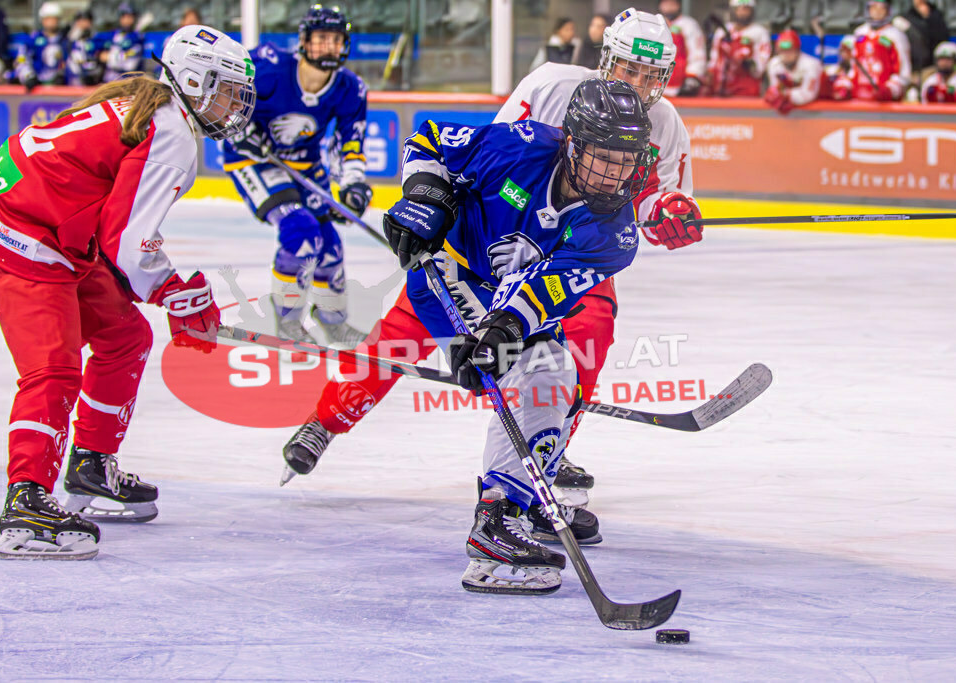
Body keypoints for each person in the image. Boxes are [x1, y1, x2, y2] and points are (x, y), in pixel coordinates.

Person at [280, 10, 703, 540]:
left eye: (651, 75)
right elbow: (490, 158)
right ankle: (327, 420)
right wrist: (432, 203)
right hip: (496, 231)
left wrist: (666, 214)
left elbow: (651, 206)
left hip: (572, 249)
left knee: (587, 333)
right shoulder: (552, 85)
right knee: (406, 327)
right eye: (628, 69)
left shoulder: (666, 125)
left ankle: (541, 463)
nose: (638, 85)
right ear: (606, 60)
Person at [305, 79, 655, 593]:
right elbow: (427, 140)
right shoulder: (518, 145)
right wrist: (427, 197)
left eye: (624, 161)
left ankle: (507, 512)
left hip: (507, 297)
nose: (613, 173)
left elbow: (545, 295)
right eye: (602, 156)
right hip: (445, 275)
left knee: (548, 372)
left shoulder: (615, 234)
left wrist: (501, 330)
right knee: (537, 373)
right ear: (572, 143)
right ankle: (500, 520)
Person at [0, 24, 255, 560]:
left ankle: (89, 467)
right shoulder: (171, 132)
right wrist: (182, 295)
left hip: (45, 226)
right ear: (194, 80)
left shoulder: (146, 102)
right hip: (27, 239)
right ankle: (26, 502)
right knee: (53, 370)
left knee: (125, 336)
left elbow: (110, 227)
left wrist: (175, 295)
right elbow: (130, 247)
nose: (232, 104)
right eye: (224, 89)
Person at [223, 5, 372, 346]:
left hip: (306, 164)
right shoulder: (269, 67)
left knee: (329, 244)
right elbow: (225, 97)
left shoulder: (351, 88)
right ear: (304, 41)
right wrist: (240, 130)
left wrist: (352, 185)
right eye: (322, 39)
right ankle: (290, 323)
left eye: (336, 40)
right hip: (254, 163)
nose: (330, 47)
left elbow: (350, 141)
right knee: (300, 229)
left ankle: (333, 322)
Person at [833, 0, 911, 102]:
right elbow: (854, 68)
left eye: (881, 8)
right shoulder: (860, 32)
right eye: (873, 7)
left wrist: (890, 89)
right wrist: (844, 85)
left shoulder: (896, 36)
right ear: (868, 9)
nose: (877, 11)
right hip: (858, 99)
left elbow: (903, 73)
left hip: (885, 103)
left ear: (888, 11)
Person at [705, 0, 770, 97]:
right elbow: (714, 59)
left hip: (746, 90)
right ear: (732, 11)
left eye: (746, 9)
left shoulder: (760, 32)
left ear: (752, 11)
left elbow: (762, 63)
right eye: (739, 9)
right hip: (720, 88)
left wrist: (751, 65)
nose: (742, 13)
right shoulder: (722, 31)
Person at [764, 30, 822, 114]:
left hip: (819, 111)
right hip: (792, 112)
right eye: (782, 51)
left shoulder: (811, 65)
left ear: (797, 50)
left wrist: (785, 95)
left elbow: (809, 94)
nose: (786, 54)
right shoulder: (774, 64)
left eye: (790, 50)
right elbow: (775, 90)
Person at [14, 1, 68, 91]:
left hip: (60, 87)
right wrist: (28, 76)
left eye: (54, 18)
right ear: (42, 20)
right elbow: (21, 59)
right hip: (36, 86)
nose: (51, 22)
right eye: (48, 18)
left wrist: (62, 75)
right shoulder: (33, 39)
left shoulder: (65, 41)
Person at [659, 0, 705, 96]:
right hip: (656, 85)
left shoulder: (689, 24)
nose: (669, 7)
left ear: (678, 5)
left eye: (672, 4)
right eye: (666, 3)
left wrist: (692, 77)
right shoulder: (655, 23)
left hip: (679, 86)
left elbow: (697, 53)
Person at [97, 1, 143, 83]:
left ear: (134, 18)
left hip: (128, 82)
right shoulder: (113, 34)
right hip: (108, 81)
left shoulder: (137, 38)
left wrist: (110, 57)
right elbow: (99, 55)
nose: (126, 20)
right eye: (123, 17)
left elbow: (130, 64)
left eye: (129, 17)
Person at [897, 0, 948, 73]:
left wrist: (927, 18)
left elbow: (942, 39)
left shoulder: (936, 15)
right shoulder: (905, 18)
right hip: (913, 68)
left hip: (933, 66)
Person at [66, 9, 101, 86]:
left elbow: (97, 60)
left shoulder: (96, 40)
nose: (83, 24)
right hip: (71, 81)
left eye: (86, 21)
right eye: (80, 21)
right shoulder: (68, 40)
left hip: (90, 81)